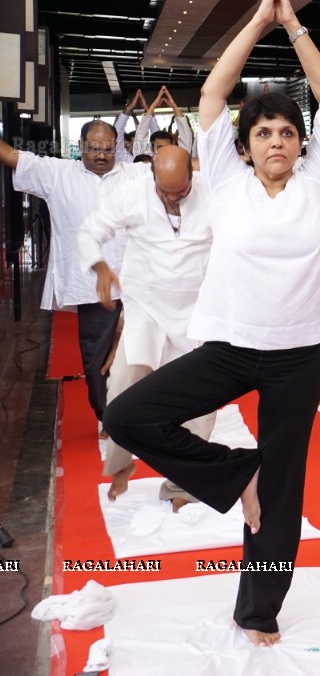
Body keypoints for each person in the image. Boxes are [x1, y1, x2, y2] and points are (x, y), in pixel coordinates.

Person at [105, 0, 320, 646]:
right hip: (230, 346)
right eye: (264, 132)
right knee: (129, 415)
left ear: (301, 144)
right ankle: (230, 472)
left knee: (284, 491)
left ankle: (258, 610)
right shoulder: (226, 179)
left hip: (299, 356)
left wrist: (295, 27)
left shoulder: (319, 183)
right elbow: (212, 96)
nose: (277, 140)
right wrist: (257, 19)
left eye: (286, 132)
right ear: (245, 146)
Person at [77, 145, 213, 508]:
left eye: (180, 191)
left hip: (197, 311)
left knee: (200, 400)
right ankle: (121, 466)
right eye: (164, 191)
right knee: (121, 386)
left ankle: (183, 482)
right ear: (151, 177)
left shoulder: (213, 191)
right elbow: (90, 231)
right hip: (146, 308)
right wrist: (100, 267)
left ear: (192, 177)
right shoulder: (133, 194)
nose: (172, 198)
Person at [1, 122, 143, 423]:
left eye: (108, 149)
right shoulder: (58, 173)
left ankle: (141, 414)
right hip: (91, 288)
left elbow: (182, 169)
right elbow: (12, 156)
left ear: (117, 147)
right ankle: (110, 417)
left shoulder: (135, 175)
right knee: (97, 361)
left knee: (142, 356)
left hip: (138, 284)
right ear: (81, 145)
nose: (101, 155)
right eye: (94, 148)